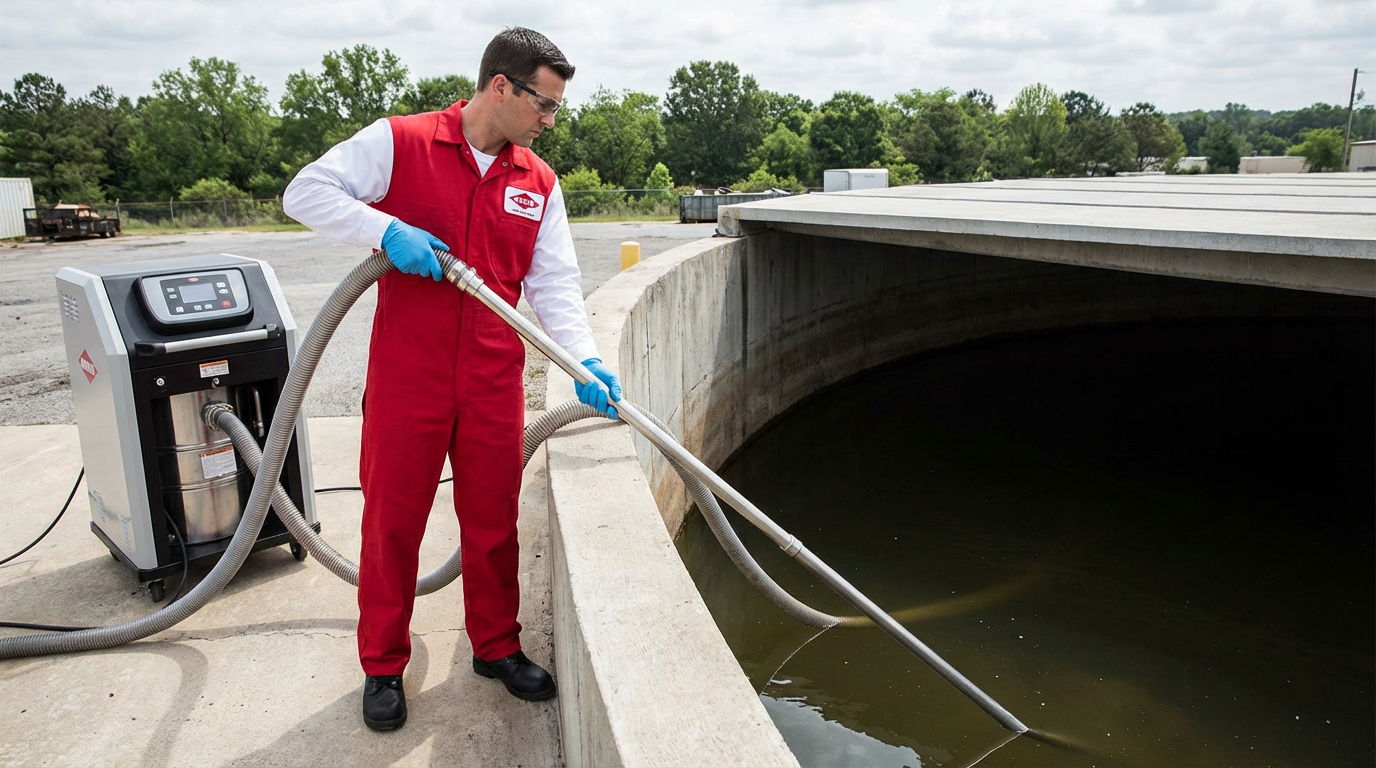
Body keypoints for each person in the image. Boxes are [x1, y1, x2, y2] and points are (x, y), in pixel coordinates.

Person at [282, 27, 621, 732]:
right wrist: (384, 231)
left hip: (494, 377)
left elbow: (555, 284)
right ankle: (382, 665)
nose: (550, 120)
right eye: (545, 103)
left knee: (493, 522)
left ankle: (495, 647)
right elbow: (304, 192)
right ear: (502, 85)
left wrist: (582, 359)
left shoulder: (537, 181)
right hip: (410, 375)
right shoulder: (401, 143)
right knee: (393, 522)